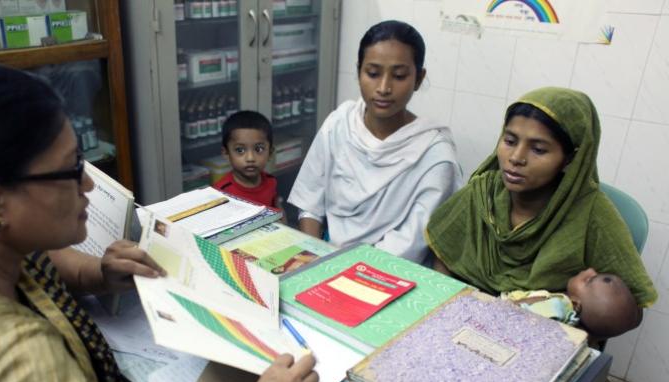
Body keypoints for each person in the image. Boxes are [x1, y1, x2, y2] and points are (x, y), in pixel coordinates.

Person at [0, 62, 317, 382]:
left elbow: (38, 260)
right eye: (70, 169)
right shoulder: (21, 363)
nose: (86, 183)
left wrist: (95, 272)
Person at [426, 86, 657, 336]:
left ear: (570, 159)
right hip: (462, 318)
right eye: (510, 140)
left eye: (538, 149)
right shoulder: (482, 193)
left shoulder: (592, 214)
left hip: (538, 336)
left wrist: (567, 317)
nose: (516, 157)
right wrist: (454, 307)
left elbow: (630, 311)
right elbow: (444, 252)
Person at [288, 20, 461, 263]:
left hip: (391, 272)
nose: (383, 87)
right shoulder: (339, 125)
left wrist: (342, 272)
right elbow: (310, 204)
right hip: (325, 258)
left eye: (399, 76)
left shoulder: (435, 155)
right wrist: (315, 257)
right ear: (359, 71)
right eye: (373, 73)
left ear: (419, 79)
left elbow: (410, 243)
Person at [502, 268, 640, 338]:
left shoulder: (558, 306)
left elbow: (518, 311)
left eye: (588, 281)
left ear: (576, 303)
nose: (590, 270)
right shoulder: (574, 322)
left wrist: (511, 303)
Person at [214, 110, 279, 209]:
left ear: (270, 152)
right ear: (226, 153)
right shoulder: (221, 192)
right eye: (240, 150)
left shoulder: (271, 181)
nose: (250, 158)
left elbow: (278, 211)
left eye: (259, 149)